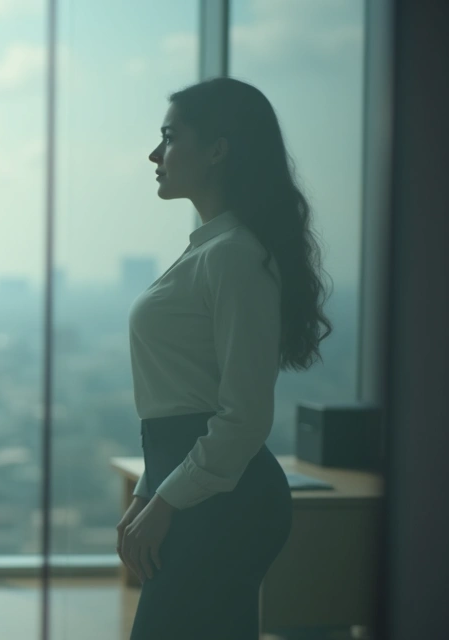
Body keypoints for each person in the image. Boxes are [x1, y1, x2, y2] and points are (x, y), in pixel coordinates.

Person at [117, 77, 332, 639]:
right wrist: (148, 490)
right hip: (198, 490)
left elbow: (243, 416)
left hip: (223, 503)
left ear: (217, 149)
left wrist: (163, 500)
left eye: (169, 138)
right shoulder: (213, 250)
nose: (155, 154)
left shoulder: (234, 257)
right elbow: (184, 395)